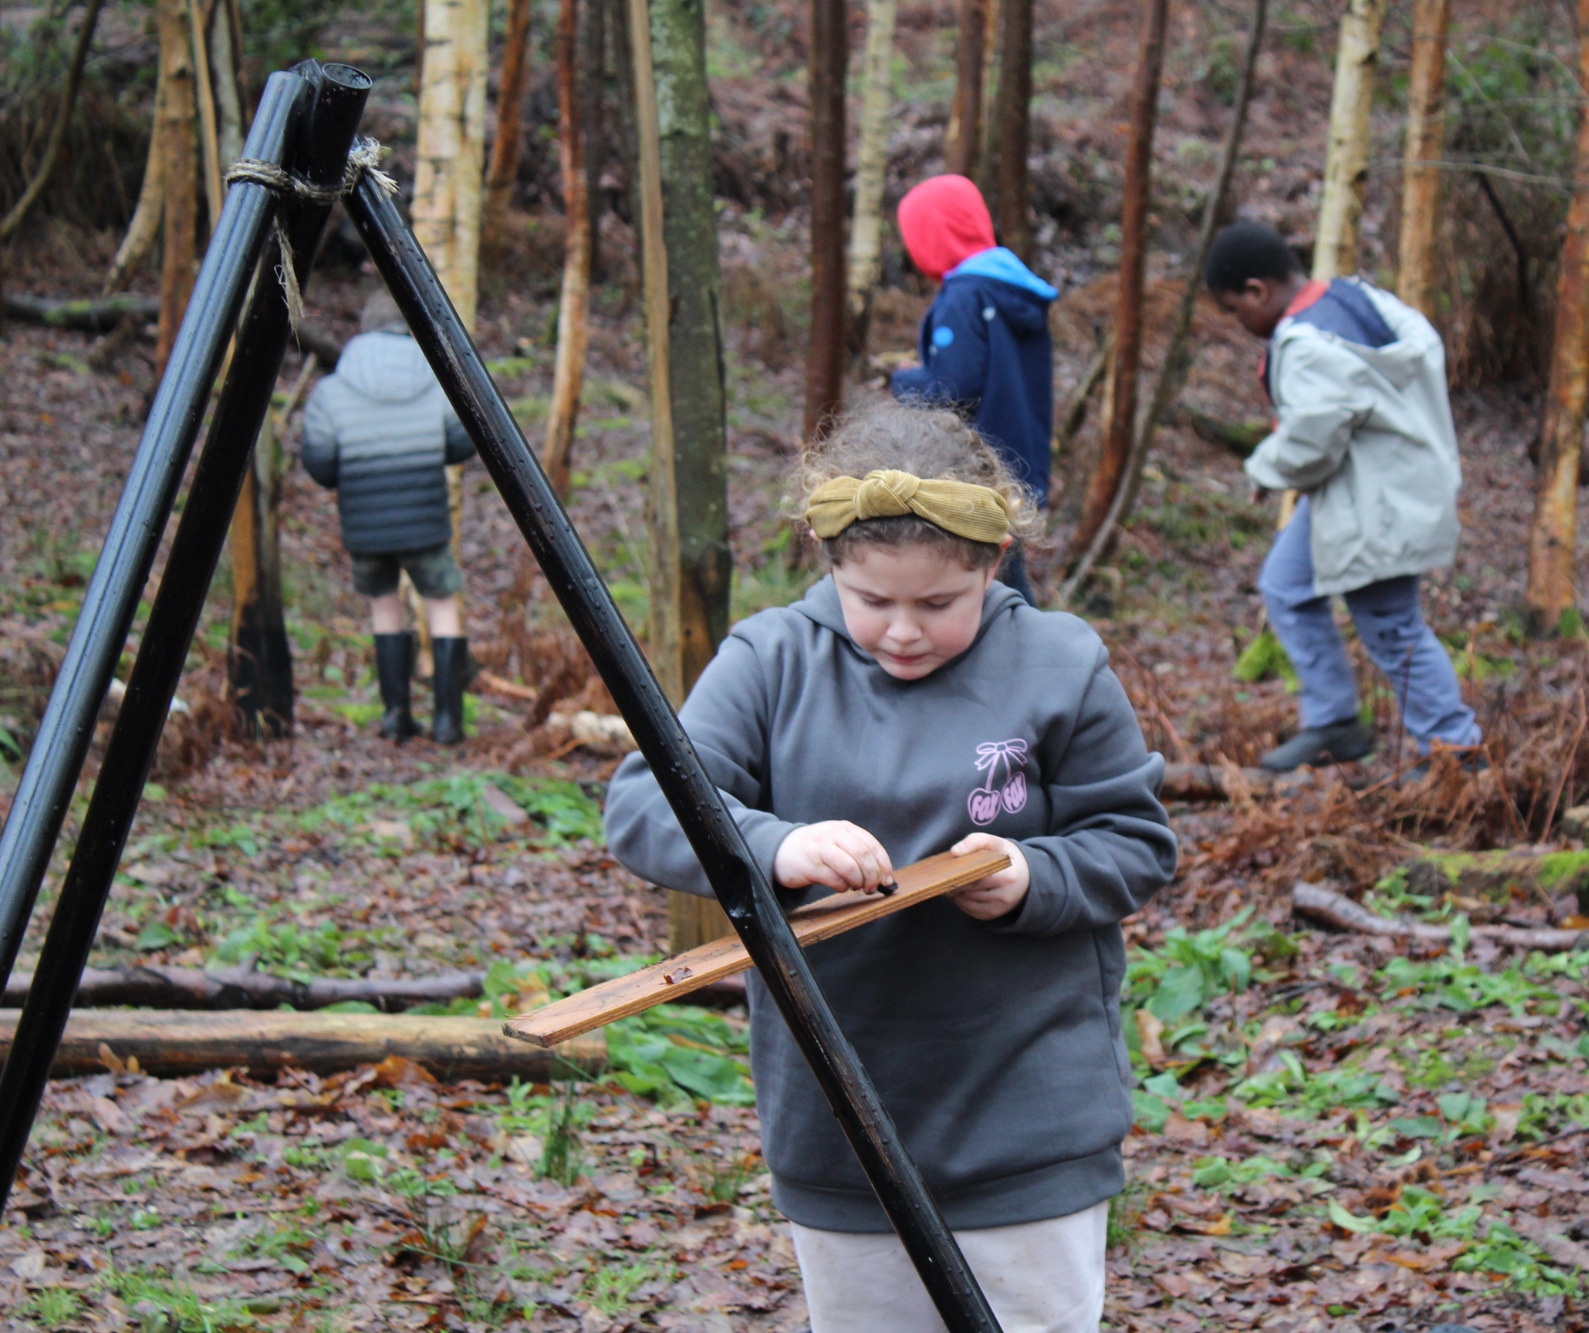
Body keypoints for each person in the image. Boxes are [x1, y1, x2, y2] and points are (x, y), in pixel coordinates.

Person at [603, 403, 1176, 1332]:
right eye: (871, 600)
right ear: (828, 562)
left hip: (1029, 1118)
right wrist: (775, 846)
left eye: (938, 604)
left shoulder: (1059, 664)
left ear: (994, 562)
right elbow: (644, 803)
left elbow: (1135, 839)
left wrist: (1033, 875)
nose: (903, 630)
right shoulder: (771, 660)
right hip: (840, 1122)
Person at [1202, 221, 1481, 772]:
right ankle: (1335, 722)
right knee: (1286, 585)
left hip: (1379, 503)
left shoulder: (1307, 345)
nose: (1241, 324)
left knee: (1392, 625)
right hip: (1364, 491)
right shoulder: (1354, 298)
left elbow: (1313, 442)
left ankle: (1454, 750)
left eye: (1236, 311)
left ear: (1257, 291)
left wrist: (1262, 469)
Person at [301, 291, 476, 744]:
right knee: (442, 603)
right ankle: (448, 722)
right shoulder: (435, 376)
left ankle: (396, 716)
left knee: (384, 605)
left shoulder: (332, 390)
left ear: (365, 326)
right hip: (425, 520)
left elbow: (319, 463)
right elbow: (463, 440)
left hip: (365, 524)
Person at [890, 174, 1058, 605]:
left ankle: (1031, 649)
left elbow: (953, 390)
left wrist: (904, 380)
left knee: (993, 591)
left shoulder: (964, 297)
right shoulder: (1010, 288)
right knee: (1001, 582)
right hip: (1018, 463)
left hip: (977, 472)